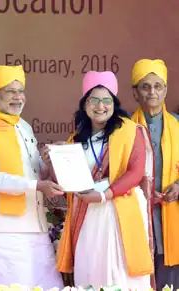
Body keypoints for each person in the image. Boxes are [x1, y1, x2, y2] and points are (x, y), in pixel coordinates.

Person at [42, 71, 154, 290]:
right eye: (94, 99)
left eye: (106, 100)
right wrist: (52, 163)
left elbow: (135, 172)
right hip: (89, 214)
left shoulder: (131, 131)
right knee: (91, 268)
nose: (100, 106)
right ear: (85, 105)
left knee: (120, 271)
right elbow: (66, 184)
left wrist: (104, 195)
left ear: (114, 103)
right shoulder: (75, 140)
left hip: (120, 209)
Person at [0, 65, 64, 289]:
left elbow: (36, 173)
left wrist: (50, 160)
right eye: (10, 91)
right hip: (0, 231)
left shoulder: (24, 127)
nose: (18, 97)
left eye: (21, 91)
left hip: (35, 229)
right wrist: (38, 184)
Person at [131, 59, 179, 290]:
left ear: (166, 90)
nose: (152, 92)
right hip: (137, 215)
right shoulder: (123, 128)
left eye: (158, 86)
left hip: (173, 217)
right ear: (135, 93)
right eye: (145, 86)